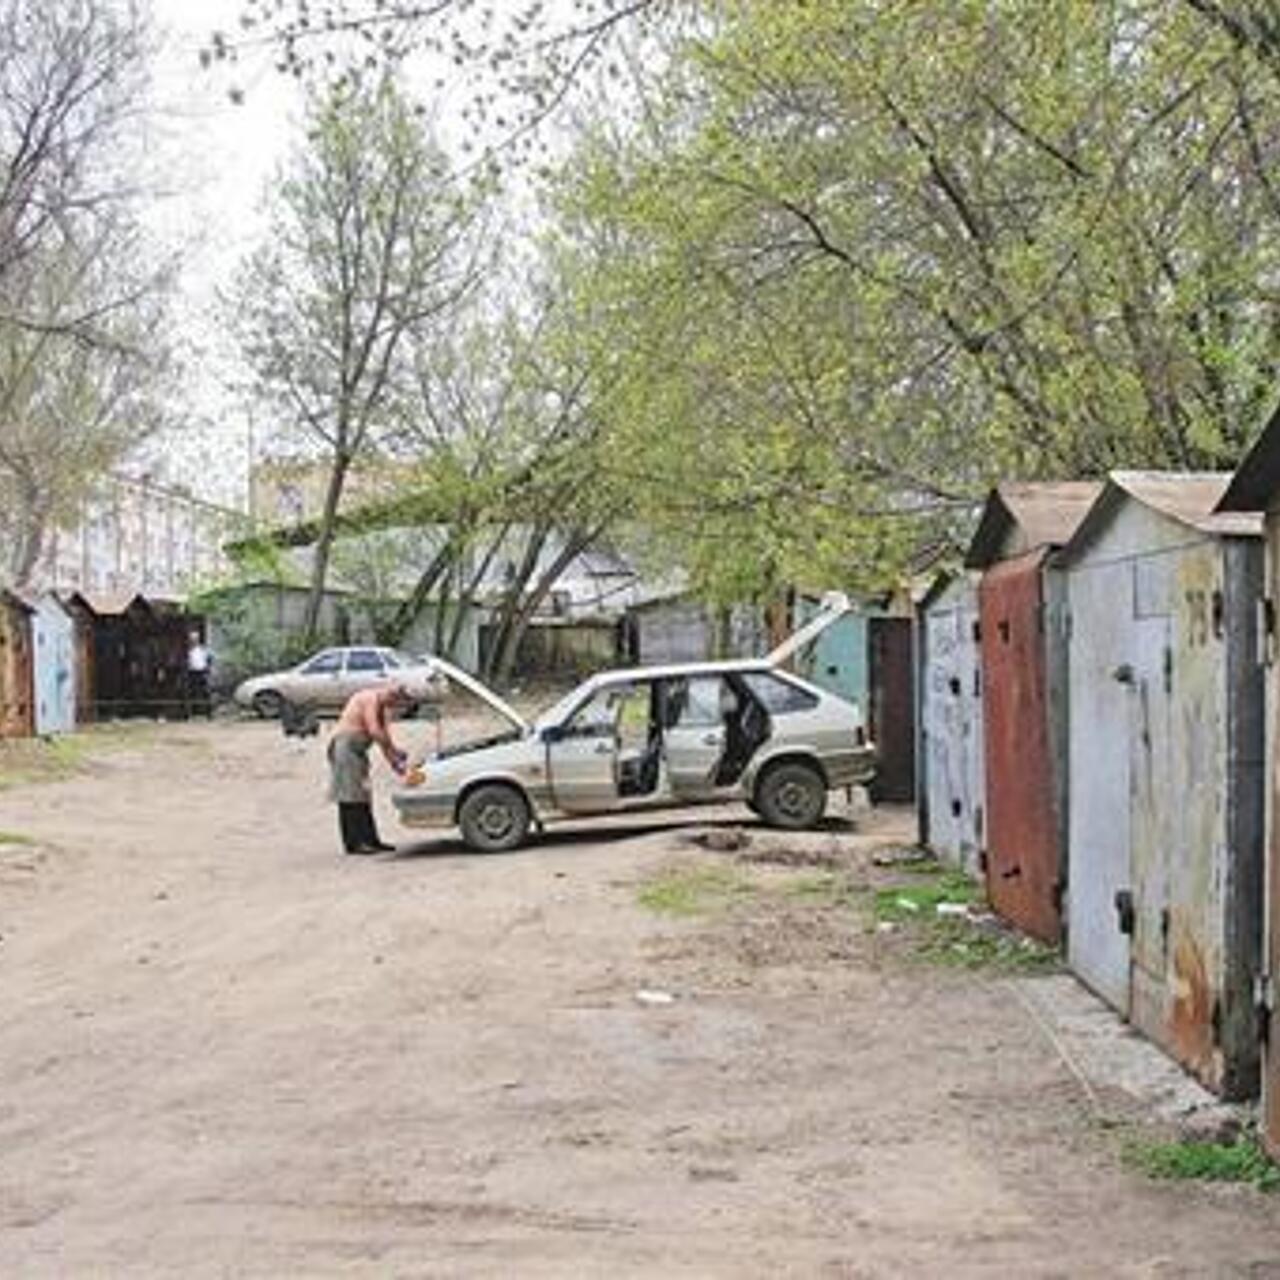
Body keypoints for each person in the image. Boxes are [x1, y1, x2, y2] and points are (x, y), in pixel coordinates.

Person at [327, 682, 413, 855]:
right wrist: (395, 751)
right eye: (396, 703)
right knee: (351, 795)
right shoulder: (369, 698)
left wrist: (396, 763)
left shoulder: (382, 708)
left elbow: (385, 739)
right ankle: (355, 843)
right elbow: (375, 732)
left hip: (357, 751)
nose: (394, 708)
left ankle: (371, 840)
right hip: (346, 748)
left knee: (364, 795)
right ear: (392, 695)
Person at [186, 629, 213, 718]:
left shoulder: (203, 650)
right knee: (191, 693)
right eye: (192, 639)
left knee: (206, 692)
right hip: (192, 673)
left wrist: (208, 669)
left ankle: (208, 714)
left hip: (202, 672)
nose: (194, 640)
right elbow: (187, 662)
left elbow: (210, 659)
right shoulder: (188, 651)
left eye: (195, 639)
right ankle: (191, 714)